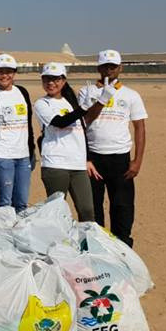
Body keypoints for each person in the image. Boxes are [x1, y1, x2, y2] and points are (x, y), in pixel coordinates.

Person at [79, 49, 147, 246]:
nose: (109, 70)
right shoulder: (86, 92)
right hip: (94, 157)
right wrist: (101, 99)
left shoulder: (131, 95)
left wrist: (137, 161)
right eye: (105, 66)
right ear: (98, 68)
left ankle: (123, 246)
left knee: (122, 206)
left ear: (120, 68)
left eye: (113, 67)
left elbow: (139, 127)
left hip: (120, 158)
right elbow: (84, 121)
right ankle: (97, 244)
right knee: (93, 207)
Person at [33, 62, 110, 221]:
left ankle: (85, 244)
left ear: (63, 81)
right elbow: (59, 122)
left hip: (78, 165)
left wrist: (87, 159)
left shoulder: (71, 102)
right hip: (55, 165)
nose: (51, 83)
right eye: (46, 79)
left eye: (55, 79)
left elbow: (82, 129)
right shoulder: (42, 103)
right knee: (57, 213)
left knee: (87, 210)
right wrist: (82, 109)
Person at [0, 54, 36, 211]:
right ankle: (2, 234)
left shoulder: (22, 92)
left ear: (14, 73)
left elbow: (28, 124)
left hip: (23, 157)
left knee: (22, 202)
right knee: (4, 202)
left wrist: (32, 151)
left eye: (8, 71)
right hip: (1, 156)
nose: (4, 76)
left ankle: (17, 234)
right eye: (0, 72)